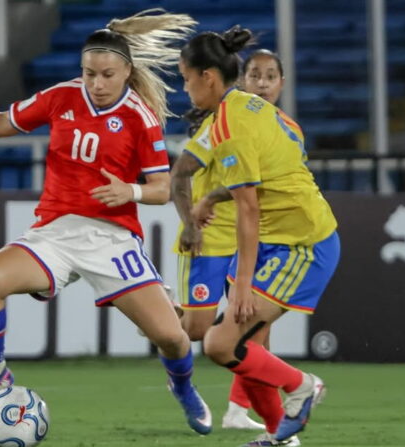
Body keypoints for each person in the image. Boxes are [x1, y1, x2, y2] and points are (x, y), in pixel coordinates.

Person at [0, 9, 213, 435]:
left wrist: (128, 192)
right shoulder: (62, 96)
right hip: (54, 233)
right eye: (89, 73)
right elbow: (7, 120)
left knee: (171, 337)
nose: (97, 83)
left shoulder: (140, 117)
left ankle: (183, 387)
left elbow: (162, 189)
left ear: (127, 71)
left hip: (111, 238)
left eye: (107, 74)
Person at [178, 27, 340, 446]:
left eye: (185, 78)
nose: (185, 88)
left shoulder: (230, 125)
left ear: (207, 77)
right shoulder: (251, 108)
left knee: (220, 343)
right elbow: (269, 170)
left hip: (301, 245)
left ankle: (303, 387)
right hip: (275, 239)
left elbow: (248, 208)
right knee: (240, 346)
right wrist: (213, 197)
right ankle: (280, 437)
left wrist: (244, 284)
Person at [171, 49, 287, 432]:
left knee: (253, 325)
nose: (263, 83)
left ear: (282, 84)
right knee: (197, 332)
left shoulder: (275, 126)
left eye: (271, 76)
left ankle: (239, 411)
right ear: (241, 81)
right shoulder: (219, 120)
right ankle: (162, 315)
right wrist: (191, 220)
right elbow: (184, 174)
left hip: (248, 236)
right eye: (255, 75)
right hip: (210, 236)